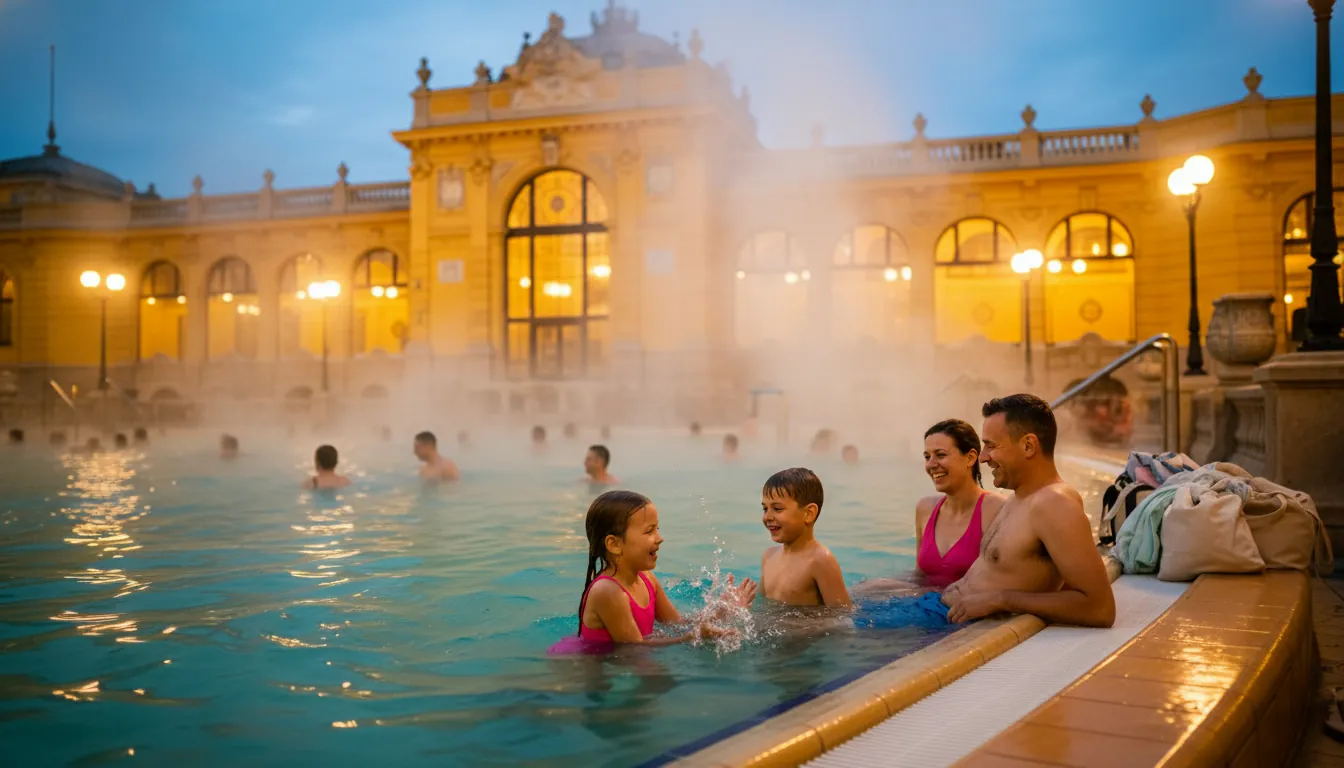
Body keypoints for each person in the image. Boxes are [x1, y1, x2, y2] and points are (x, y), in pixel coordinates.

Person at [941, 395, 1115, 627]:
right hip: (941, 610)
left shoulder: (1054, 503)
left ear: (1028, 445)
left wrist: (1001, 600)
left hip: (948, 622)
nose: (982, 458)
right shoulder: (1021, 498)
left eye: (991, 446)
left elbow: (1100, 608)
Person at [549, 490, 755, 652]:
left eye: (657, 528)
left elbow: (677, 624)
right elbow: (633, 648)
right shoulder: (607, 591)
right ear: (614, 544)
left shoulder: (647, 579)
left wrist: (723, 611)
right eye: (649, 531)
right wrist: (691, 638)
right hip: (594, 665)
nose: (659, 537)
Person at [914, 419, 1004, 587]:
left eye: (940, 455)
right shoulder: (925, 508)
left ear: (970, 458)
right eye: (927, 457)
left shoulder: (997, 509)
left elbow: (1006, 580)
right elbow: (918, 578)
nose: (931, 464)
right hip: (924, 605)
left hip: (967, 609)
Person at [759, 468, 850, 607]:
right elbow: (762, 607)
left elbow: (842, 617)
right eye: (765, 509)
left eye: (777, 509)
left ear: (809, 513)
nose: (768, 517)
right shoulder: (768, 556)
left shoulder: (820, 560)